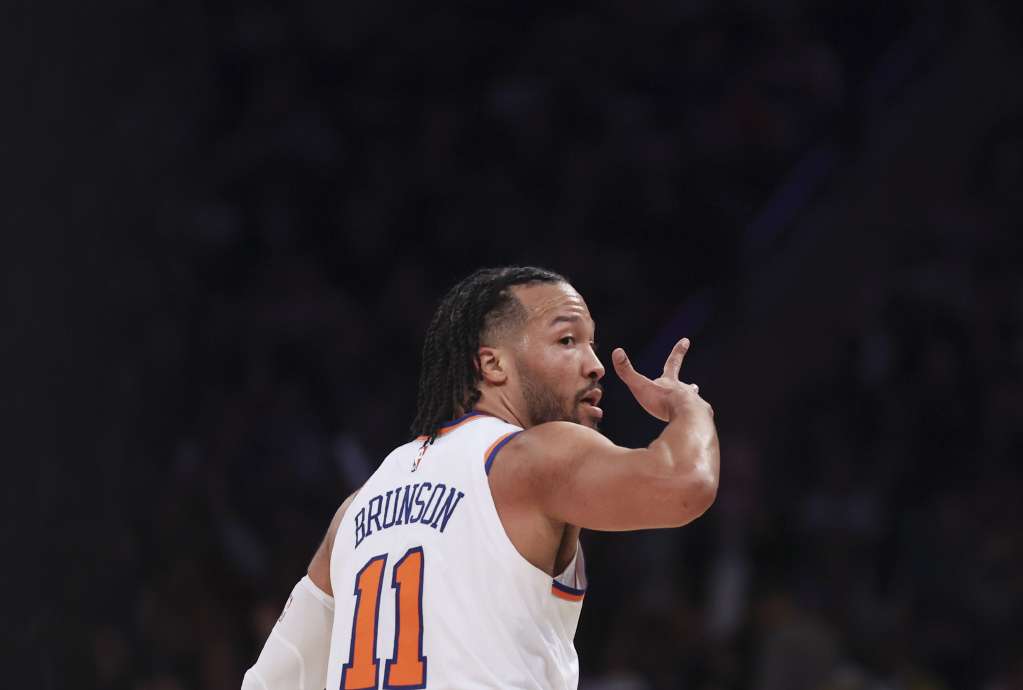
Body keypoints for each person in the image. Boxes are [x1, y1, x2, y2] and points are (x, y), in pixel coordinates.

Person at [242, 266, 720, 690]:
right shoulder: (530, 456)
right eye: (567, 340)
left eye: (592, 341)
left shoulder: (358, 505)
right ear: (493, 364)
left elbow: (272, 680)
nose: (595, 364)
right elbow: (686, 483)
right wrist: (690, 408)